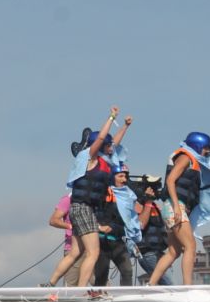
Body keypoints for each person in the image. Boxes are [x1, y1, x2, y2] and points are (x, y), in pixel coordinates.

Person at [66, 107, 132, 286]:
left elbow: (113, 142)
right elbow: (103, 137)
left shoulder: (106, 158)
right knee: (91, 253)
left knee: (81, 253)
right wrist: (111, 117)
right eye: (108, 146)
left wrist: (125, 127)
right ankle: (79, 289)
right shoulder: (92, 156)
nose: (112, 148)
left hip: (90, 207)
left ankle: (52, 282)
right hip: (82, 206)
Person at [147, 131, 210, 285]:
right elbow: (170, 180)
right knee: (190, 246)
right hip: (174, 208)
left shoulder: (193, 161)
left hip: (172, 208)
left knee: (173, 251)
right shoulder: (185, 157)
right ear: (198, 145)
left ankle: (151, 284)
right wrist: (177, 207)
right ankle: (187, 287)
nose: (208, 151)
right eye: (206, 148)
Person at [136, 179, 170, 284]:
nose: (154, 191)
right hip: (148, 254)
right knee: (169, 285)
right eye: (151, 188)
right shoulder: (136, 204)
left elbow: (164, 228)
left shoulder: (154, 206)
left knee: (169, 287)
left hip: (160, 253)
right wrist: (148, 201)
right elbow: (141, 224)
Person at [44, 193, 79, 286]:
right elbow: (53, 220)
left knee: (101, 284)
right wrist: (71, 226)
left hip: (91, 247)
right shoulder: (68, 199)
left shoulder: (96, 197)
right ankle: (51, 284)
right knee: (70, 289)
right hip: (72, 247)